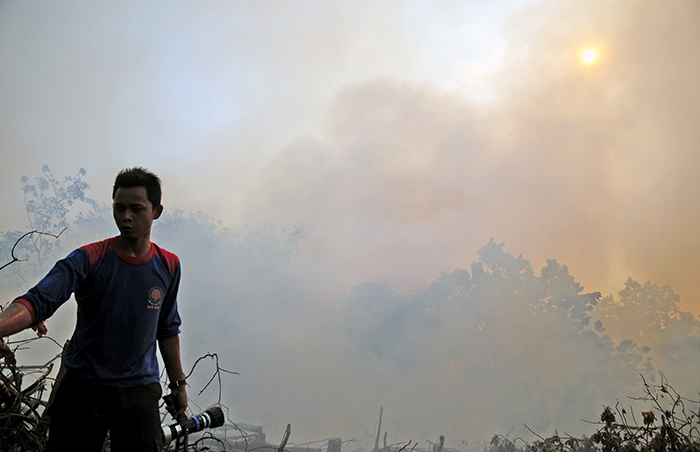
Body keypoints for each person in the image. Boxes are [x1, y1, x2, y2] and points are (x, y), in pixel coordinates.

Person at [0, 167, 187, 451]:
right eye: (119, 208)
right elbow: (38, 301)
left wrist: (178, 385)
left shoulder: (168, 265)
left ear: (156, 211)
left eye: (136, 209)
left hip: (139, 391)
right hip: (83, 388)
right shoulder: (90, 258)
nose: (126, 217)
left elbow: (167, 328)